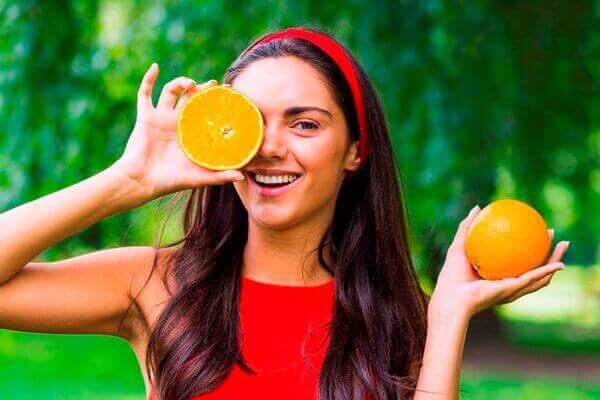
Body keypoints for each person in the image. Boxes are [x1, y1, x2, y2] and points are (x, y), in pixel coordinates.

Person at [0, 26, 569, 400]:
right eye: (253, 120)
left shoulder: (402, 317)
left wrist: (447, 321)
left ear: (354, 150)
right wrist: (126, 182)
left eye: (304, 124)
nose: (270, 147)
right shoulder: (153, 285)